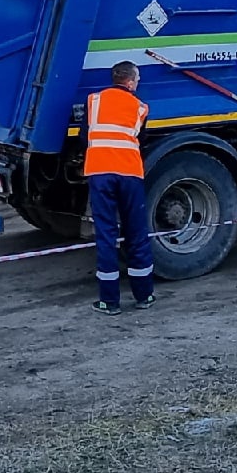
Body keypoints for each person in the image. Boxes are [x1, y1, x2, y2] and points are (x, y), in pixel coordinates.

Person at [85, 62, 154, 315]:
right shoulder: (140, 107)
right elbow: (141, 139)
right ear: (131, 82)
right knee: (136, 233)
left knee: (106, 235)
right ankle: (144, 295)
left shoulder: (94, 101)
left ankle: (109, 301)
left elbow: (85, 137)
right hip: (130, 174)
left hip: (100, 172)